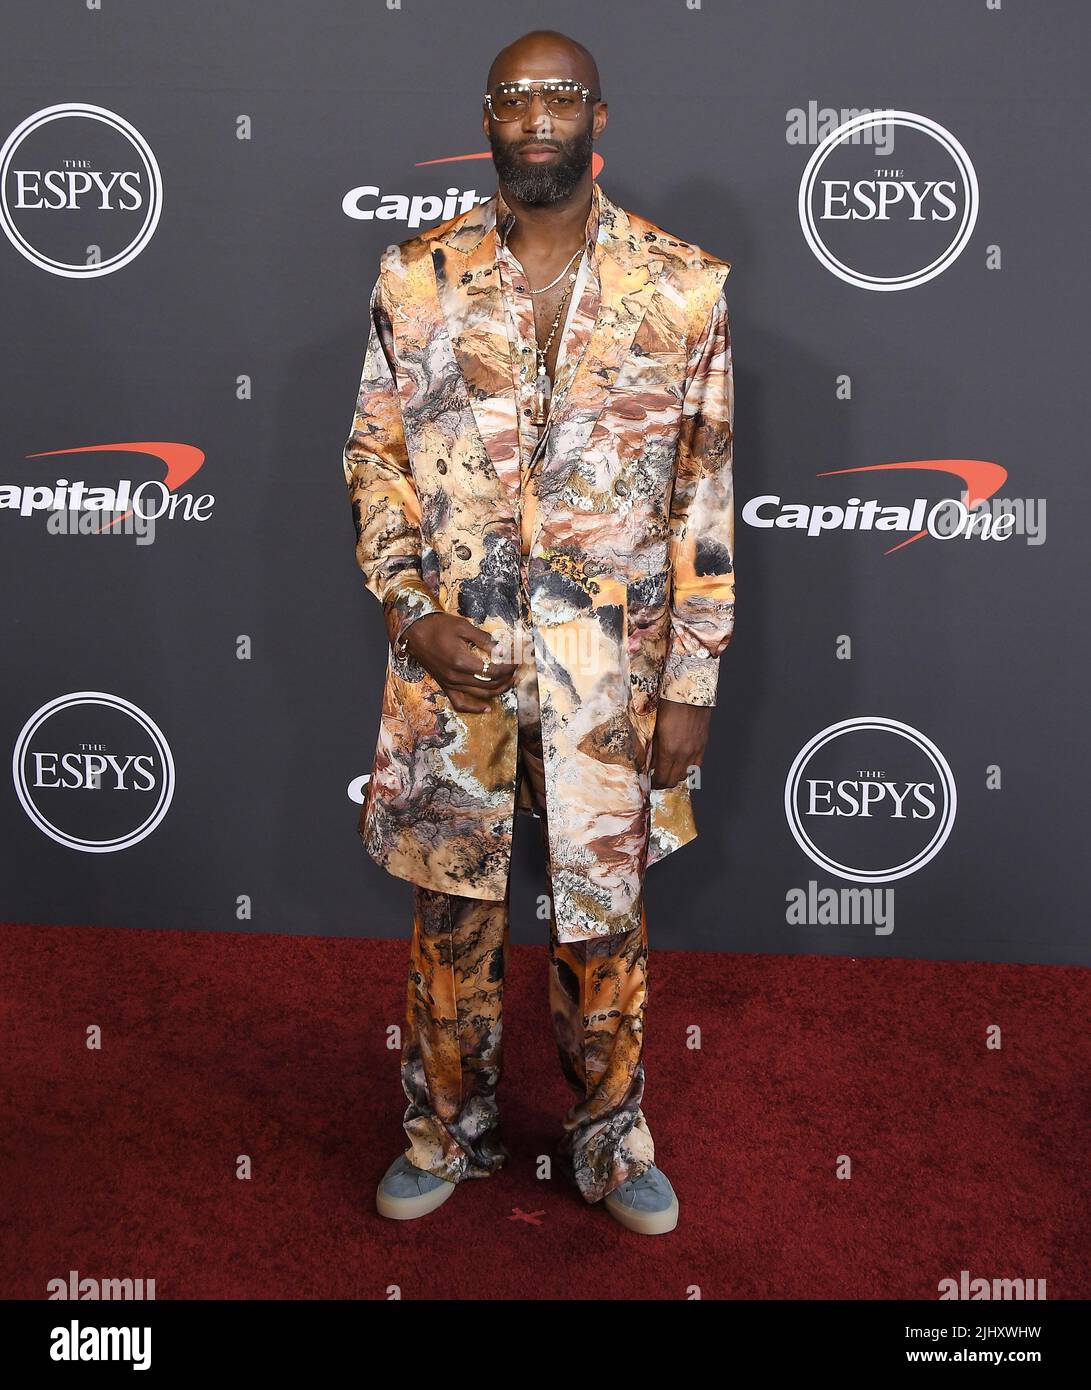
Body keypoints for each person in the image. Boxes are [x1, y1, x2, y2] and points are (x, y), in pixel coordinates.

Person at [342, 28, 735, 1235]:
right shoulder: (415, 278)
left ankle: (609, 1137)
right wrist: (412, 619)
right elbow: (376, 464)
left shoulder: (686, 285)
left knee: (600, 917)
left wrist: (693, 681)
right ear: (488, 120)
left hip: (605, 671)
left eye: (561, 95)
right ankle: (445, 1128)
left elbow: (702, 496)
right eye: (517, 99)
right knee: (452, 913)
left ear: (598, 119)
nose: (539, 116)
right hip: (458, 659)